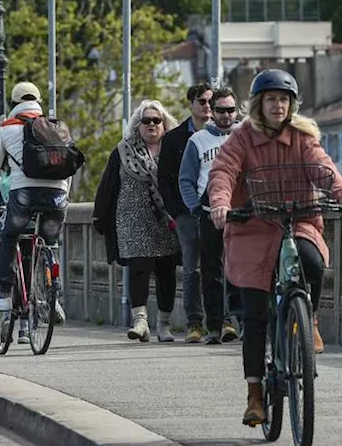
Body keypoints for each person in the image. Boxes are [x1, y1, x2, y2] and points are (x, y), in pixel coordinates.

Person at [208, 69, 342, 426]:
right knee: (256, 315)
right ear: (258, 104)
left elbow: (323, 169)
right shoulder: (242, 137)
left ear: (291, 104)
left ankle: (308, 319)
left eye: (283, 99)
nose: (277, 105)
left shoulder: (302, 136)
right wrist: (220, 202)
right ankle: (255, 395)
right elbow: (223, 172)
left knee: (312, 260)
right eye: (271, 99)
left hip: (299, 220)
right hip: (253, 226)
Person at [0, 82, 71, 324]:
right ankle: (53, 299)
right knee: (49, 244)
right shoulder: (55, 129)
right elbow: (67, 168)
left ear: (13, 104)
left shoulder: (5, 129)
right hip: (57, 196)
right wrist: (63, 195)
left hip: (24, 195)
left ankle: (5, 293)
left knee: (10, 236)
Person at [93, 100, 181, 342]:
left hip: (166, 220)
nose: (151, 125)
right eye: (146, 121)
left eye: (156, 120)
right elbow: (107, 186)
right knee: (138, 268)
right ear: (137, 125)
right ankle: (140, 321)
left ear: (164, 124)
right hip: (132, 220)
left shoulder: (174, 149)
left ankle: (164, 325)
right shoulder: (123, 150)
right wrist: (99, 216)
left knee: (166, 272)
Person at [179, 86, 242, 344]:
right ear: (211, 112)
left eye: (230, 110)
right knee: (211, 270)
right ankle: (215, 326)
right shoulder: (197, 141)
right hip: (209, 212)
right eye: (220, 110)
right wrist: (195, 208)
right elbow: (186, 180)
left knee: (240, 268)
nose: (226, 115)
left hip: (241, 212)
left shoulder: (243, 137)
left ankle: (239, 321)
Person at [158, 82, 214, 342]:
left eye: (210, 102)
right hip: (188, 213)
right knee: (192, 267)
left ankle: (224, 320)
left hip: (219, 211)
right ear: (191, 104)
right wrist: (178, 211)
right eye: (202, 101)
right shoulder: (174, 138)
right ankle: (194, 322)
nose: (207, 107)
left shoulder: (227, 134)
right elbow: (166, 180)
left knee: (222, 266)